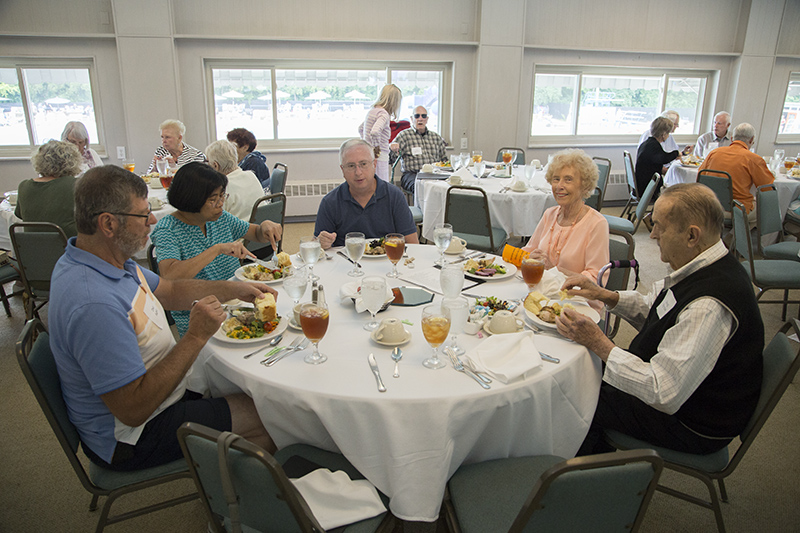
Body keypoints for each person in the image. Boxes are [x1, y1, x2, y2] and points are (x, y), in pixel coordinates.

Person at [49, 165, 276, 472]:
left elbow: (168, 291)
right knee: (267, 415)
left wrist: (234, 289)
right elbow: (134, 410)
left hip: (162, 393)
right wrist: (195, 336)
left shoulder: (110, 261)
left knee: (248, 383)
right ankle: (234, 510)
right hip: (133, 436)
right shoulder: (95, 304)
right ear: (108, 224)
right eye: (144, 215)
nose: (153, 220)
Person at [555, 183, 763, 456]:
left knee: (572, 394)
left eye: (660, 227)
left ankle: (590, 481)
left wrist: (601, 344)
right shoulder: (704, 266)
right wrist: (605, 295)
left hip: (694, 421)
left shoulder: (708, 304)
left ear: (691, 235)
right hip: (682, 391)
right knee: (586, 371)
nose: (652, 235)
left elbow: (662, 391)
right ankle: (597, 450)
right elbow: (658, 309)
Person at [150, 162, 282, 336]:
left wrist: (265, 226)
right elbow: (170, 276)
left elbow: (255, 233)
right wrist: (216, 249)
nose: (220, 203)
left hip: (236, 301)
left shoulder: (219, 218)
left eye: (222, 196)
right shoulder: (168, 229)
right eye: (213, 199)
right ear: (191, 199)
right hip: (200, 315)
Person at [521, 149, 609, 304]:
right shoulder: (550, 214)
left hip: (576, 301)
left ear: (584, 185)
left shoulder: (597, 224)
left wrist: (559, 272)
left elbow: (597, 278)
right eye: (556, 179)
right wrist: (529, 259)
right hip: (541, 294)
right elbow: (526, 252)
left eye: (568, 180)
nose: (559, 186)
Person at [315, 138, 419, 249]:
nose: (358, 172)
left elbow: (413, 244)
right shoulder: (330, 202)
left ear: (374, 164)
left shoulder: (394, 196)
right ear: (342, 170)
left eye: (363, 164)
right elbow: (316, 247)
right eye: (351, 166)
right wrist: (320, 242)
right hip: (348, 262)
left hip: (387, 261)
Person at [697, 122, 774, 224]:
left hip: (709, 204)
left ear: (732, 138)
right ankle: (736, 238)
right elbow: (767, 188)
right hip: (735, 207)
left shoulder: (714, 153)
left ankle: (728, 238)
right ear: (751, 140)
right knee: (765, 210)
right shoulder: (753, 159)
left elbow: (700, 176)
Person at [15, 140, 81, 238]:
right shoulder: (76, 185)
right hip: (70, 247)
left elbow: (19, 214)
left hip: (32, 248)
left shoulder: (24, 186)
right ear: (72, 161)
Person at [205, 139, 264, 221]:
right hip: (259, 228)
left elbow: (215, 220)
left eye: (208, 162)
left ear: (215, 166)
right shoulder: (251, 175)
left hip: (237, 231)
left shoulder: (221, 188)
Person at [394, 106, 447, 192]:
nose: (420, 119)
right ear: (412, 118)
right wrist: (391, 148)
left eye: (423, 116)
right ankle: (422, 206)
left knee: (446, 187)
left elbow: (444, 161)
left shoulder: (436, 137)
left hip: (435, 174)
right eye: (417, 116)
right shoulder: (404, 136)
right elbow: (391, 158)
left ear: (427, 119)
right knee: (421, 188)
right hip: (412, 174)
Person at [359, 84, 402, 182]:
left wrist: (367, 144)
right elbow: (375, 132)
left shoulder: (372, 111)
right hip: (380, 157)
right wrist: (376, 148)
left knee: (371, 184)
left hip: (368, 156)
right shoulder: (383, 114)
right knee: (382, 186)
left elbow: (361, 129)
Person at [635, 116, 679, 197]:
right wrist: (677, 153)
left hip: (641, 182)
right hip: (647, 186)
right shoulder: (654, 146)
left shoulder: (647, 143)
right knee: (676, 191)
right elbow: (664, 159)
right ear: (663, 134)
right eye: (668, 133)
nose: (668, 136)